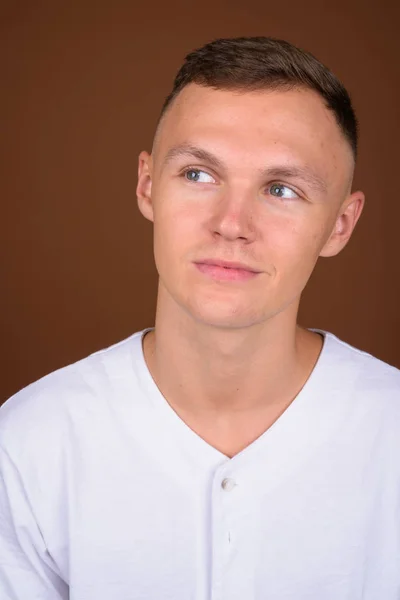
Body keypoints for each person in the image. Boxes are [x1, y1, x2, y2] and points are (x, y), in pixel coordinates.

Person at [0, 36, 399, 600]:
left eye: (281, 189)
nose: (231, 223)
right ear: (146, 186)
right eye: (197, 175)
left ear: (340, 224)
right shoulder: (28, 445)